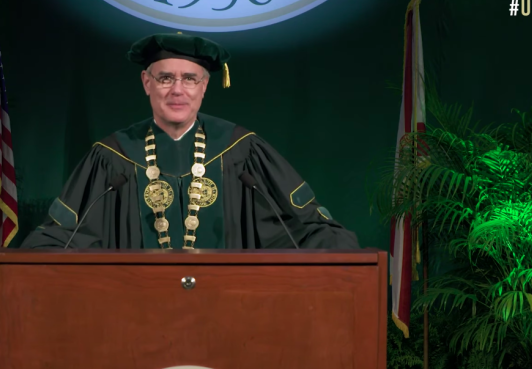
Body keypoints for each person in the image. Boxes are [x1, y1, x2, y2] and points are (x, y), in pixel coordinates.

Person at [20, 33, 359, 250]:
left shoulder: (242, 150)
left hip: (231, 308)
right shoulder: (113, 157)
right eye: (165, 78)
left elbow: (298, 228)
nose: (177, 90)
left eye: (189, 79)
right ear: (146, 82)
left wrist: (334, 245)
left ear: (204, 86)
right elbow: (64, 237)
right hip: (133, 310)